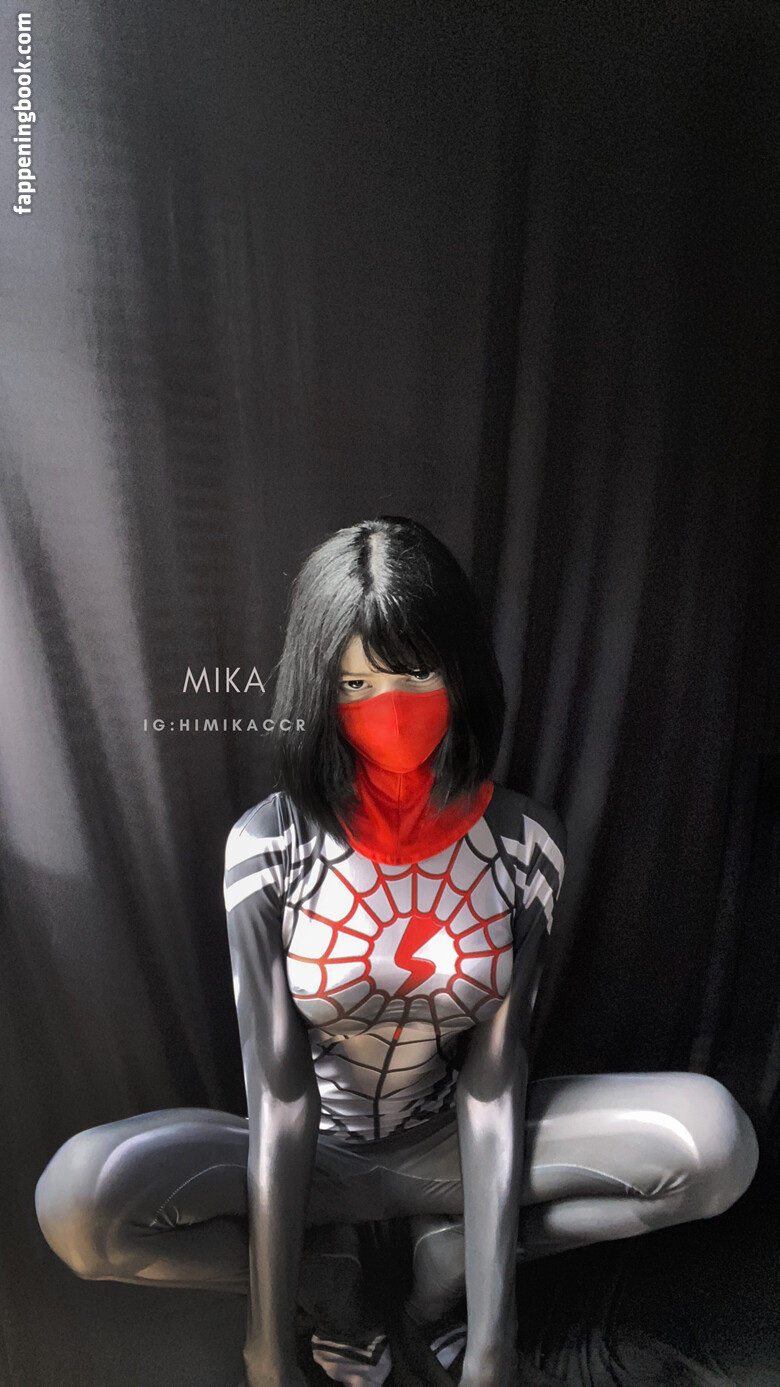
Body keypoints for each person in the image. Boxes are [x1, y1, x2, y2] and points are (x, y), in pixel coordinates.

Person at [35, 516, 760, 1387]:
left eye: (417, 670)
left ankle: (443, 1268)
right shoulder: (268, 846)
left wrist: (491, 1335)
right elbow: (279, 1096)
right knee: (78, 1201)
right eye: (356, 682)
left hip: (446, 1142)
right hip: (313, 1154)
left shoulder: (524, 842)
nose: (391, 705)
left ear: (460, 668)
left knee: (716, 1144)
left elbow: (496, 1078)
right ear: (319, 686)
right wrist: (268, 1345)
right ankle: (331, 1289)